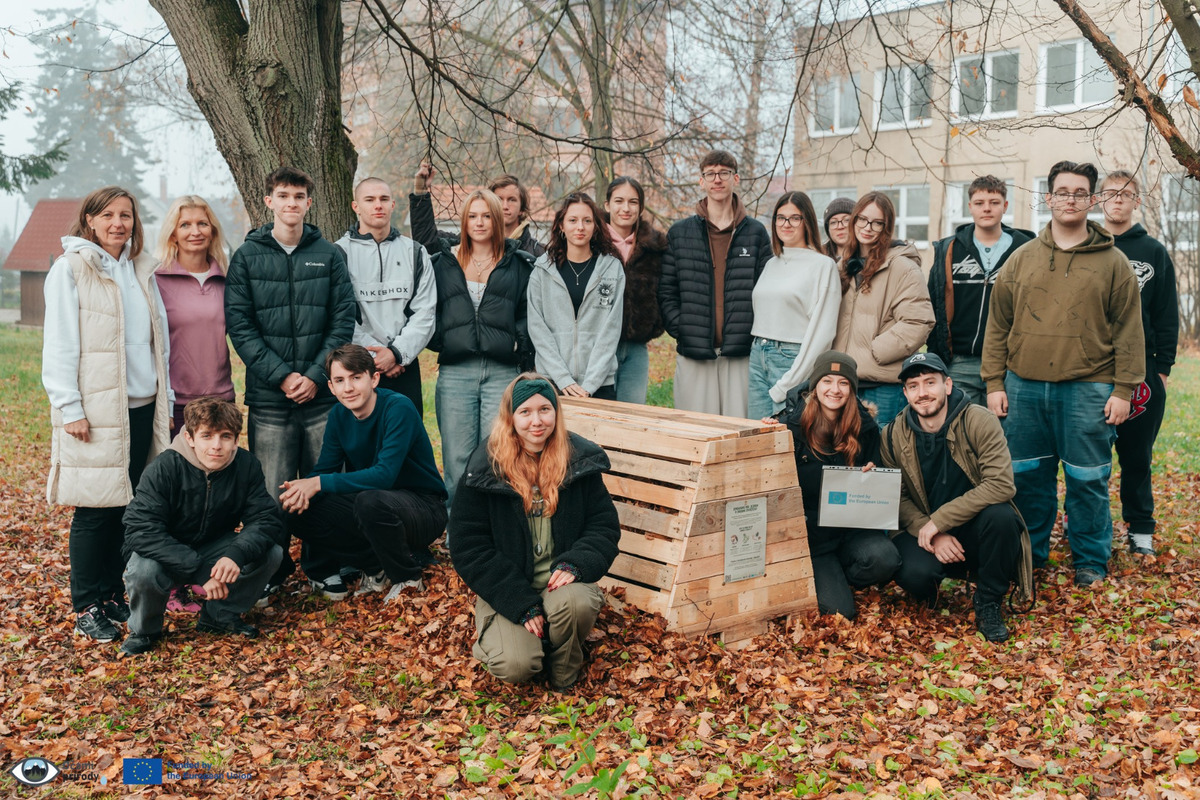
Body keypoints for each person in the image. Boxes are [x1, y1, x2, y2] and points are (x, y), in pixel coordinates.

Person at [982, 160, 1144, 587]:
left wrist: (1123, 390)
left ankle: (1090, 560)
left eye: (1079, 193)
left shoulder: (1114, 263)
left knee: (1088, 480)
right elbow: (998, 326)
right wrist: (994, 382)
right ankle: (1029, 555)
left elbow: (1129, 331)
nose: (1070, 199)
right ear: (1048, 197)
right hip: (1024, 387)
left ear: (1092, 200)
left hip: (1089, 388)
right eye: (1062, 192)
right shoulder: (1021, 259)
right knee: (1027, 479)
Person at [42, 186, 173, 642]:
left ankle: (113, 592)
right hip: (96, 412)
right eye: (108, 215)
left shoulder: (140, 269)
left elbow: (159, 341)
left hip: (142, 407)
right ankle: (86, 604)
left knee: (129, 506)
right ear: (90, 220)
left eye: (126, 215)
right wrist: (70, 407)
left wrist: (166, 399)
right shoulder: (71, 268)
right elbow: (59, 343)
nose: (118, 223)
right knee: (95, 510)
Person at [224, 166, 357, 604]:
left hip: (321, 396)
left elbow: (342, 319)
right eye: (283, 195)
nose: (291, 203)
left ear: (309, 203)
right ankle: (272, 569)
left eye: (299, 196)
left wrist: (317, 376)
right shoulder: (247, 256)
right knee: (272, 490)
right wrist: (282, 376)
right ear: (269, 201)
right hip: (270, 397)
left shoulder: (329, 255)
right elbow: (240, 325)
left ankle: (324, 566)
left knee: (324, 482)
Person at [449, 374, 620, 691]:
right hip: (509, 587)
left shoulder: (578, 460)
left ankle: (564, 668)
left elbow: (603, 525)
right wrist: (518, 602)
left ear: (556, 412)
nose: (537, 421)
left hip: (560, 586)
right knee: (516, 665)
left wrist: (576, 563)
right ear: (510, 417)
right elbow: (468, 547)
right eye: (525, 412)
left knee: (577, 603)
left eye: (545, 409)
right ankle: (506, 639)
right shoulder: (485, 468)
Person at [880, 353, 1032, 642]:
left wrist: (940, 521)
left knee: (1002, 518)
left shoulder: (979, 421)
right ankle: (931, 590)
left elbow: (1001, 484)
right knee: (915, 575)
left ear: (947, 385)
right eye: (913, 386)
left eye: (930, 382)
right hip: (923, 530)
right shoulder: (891, 435)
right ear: (905, 393)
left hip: (973, 527)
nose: (922, 393)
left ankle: (988, 600)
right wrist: (933, 533)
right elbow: (896, 498)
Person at [119, 398, 284, 655]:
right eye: (207, 436)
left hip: (213, 547)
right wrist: (200, 570)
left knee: (271, 552)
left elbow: (265, 519)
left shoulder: (246, 465)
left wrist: (235, 555)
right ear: (190, 438)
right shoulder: (164, 467)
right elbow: (140, 528)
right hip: (165, 552)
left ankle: (219, 617)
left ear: (236, 440)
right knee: (144, 569)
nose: (216, 446)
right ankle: (144, 630)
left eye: (225, 436)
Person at [285, 344, 448, 600]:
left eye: (356, 377)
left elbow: (384, 475)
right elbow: (325, 468)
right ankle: (375, 566)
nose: (348, 388)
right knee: (295, 508)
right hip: (375, 504)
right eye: (340, 380)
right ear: (331, 387)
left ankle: (407, 578)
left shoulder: (397, 408)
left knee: (369, 501)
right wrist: (298, 491)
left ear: (374, 379)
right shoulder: (339, 415)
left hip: (423, 507)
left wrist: (317, 483)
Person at [426, 188, 536, 509]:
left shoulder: (517, 264)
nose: (479, 222)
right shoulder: (443, 263)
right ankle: (457, 527)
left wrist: (517, 345)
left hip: (502, 371)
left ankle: (493, 527)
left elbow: (527, 314)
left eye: (487, 216)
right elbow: (428, 311)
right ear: (464, 221)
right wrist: (443, 341)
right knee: (457, 457)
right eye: (472, 216)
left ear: (497, 219)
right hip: (456, 372)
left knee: (498, 454)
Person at [774, 351, 900, 619]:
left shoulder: (866, 428)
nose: (835, 389)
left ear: (852, 389)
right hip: (813, 538)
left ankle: (843, 574)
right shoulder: (790, 426)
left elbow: (878, 486)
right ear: (815, 386)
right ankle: (825, 577)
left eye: (843, 383)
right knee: (840, 612)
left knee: (885, 559)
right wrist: (765, 434)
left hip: (850, 530)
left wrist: (872, 476)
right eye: (827, 381)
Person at [1099, 170, 1178, 558]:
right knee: (1088, 458)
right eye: (1110, 193)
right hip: (1092, 368)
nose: (1117, 199)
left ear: (1137, 200)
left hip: (1142, 370)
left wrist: (1162, 369)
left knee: (1136, 457)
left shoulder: (1153, 251)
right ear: (1099, 199)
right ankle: (1086, 524)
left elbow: (1166, 313)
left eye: (1125, 194)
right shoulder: (1087, 245)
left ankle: (1140, 530)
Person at [658, 150, 771, 418]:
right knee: (695, 430)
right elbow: (666, 291)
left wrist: (752, 333)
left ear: (736, 178)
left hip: (741, 353)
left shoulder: (755, 233)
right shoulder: (680, 233)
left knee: (739, 430)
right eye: (710, 174)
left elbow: (767, 291)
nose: (717, 179)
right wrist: (683, 329)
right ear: (701, 181)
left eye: (724, 173)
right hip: (695, 353)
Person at [926, 177, 1035, 405]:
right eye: (979, 203)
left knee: (1000, 427)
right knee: (960, 425)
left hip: (1008, 365)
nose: (987, 208)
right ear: (970, 207)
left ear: (1005, 206)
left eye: (994, 202)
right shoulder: (949, 249)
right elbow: (933, 305)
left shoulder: (1024, 249)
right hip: (959, 363)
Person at [335, 176, 437, 418]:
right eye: (370, 200)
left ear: (393, 204)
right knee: (361, 440)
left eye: (383, 199)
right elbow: (339, 316)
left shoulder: (415, 252)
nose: (378, 205)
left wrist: (396, 354)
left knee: (404, 436)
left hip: (404, 366)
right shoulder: (338, 253)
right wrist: (374, 357)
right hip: (356, 369)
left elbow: (425, 312)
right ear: (356, 206)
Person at [831, 192, 934, 424]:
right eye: (862, 219)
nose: (867, 228)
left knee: (881, 447)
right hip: (843, 382)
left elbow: (919, 321)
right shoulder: (842, 267)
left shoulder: (903, 268)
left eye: (877, 223)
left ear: (886, 228)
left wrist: (874, 351)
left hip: (882, 386)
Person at [748, 191, 840, 419]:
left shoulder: (823, 265)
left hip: (790, 358)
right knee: (755, 432)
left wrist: (791, 381)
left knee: (787, 432)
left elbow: (823, 333)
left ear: (807, 221)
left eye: (794, 218)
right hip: (758, 354)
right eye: (780, 218)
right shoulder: (771, 264)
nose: (786, 224)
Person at [528, 192, 625, 400]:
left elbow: (611, 330)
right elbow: (537, 329)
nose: (580, 227)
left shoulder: (612, 269)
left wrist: (590, 384)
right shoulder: (542, 271)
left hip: (600, 383)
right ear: (561, 226)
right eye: (572, 220)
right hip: (552, 381)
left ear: (596, 226)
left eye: (587, 221)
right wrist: (564, 379)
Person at [154, 196, 235, 434]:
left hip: (221, 399)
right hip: (176, 403)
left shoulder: (227, 280)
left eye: (202, 223)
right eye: (185, 225)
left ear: (212, 231)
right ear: (173, 234)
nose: (195, 231)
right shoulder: (156, 281)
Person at [602, 177, 668, 404]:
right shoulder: (592, 242)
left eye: (633, 202)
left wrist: (654, 324)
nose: (626, 208)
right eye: (619, 201)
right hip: (597, 346)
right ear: (607, 205)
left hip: (636, 347)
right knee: (598, 413)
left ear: (640, 207)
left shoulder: (655, 247)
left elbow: (664, 291)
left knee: (632, 411)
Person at [411, 163, 546, 257]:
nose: (505, 206)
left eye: (512, 200)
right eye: (499, 199)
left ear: (522, 209)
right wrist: (421, 192)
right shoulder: (467, 242)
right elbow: (427, 240)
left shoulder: (538, 253)